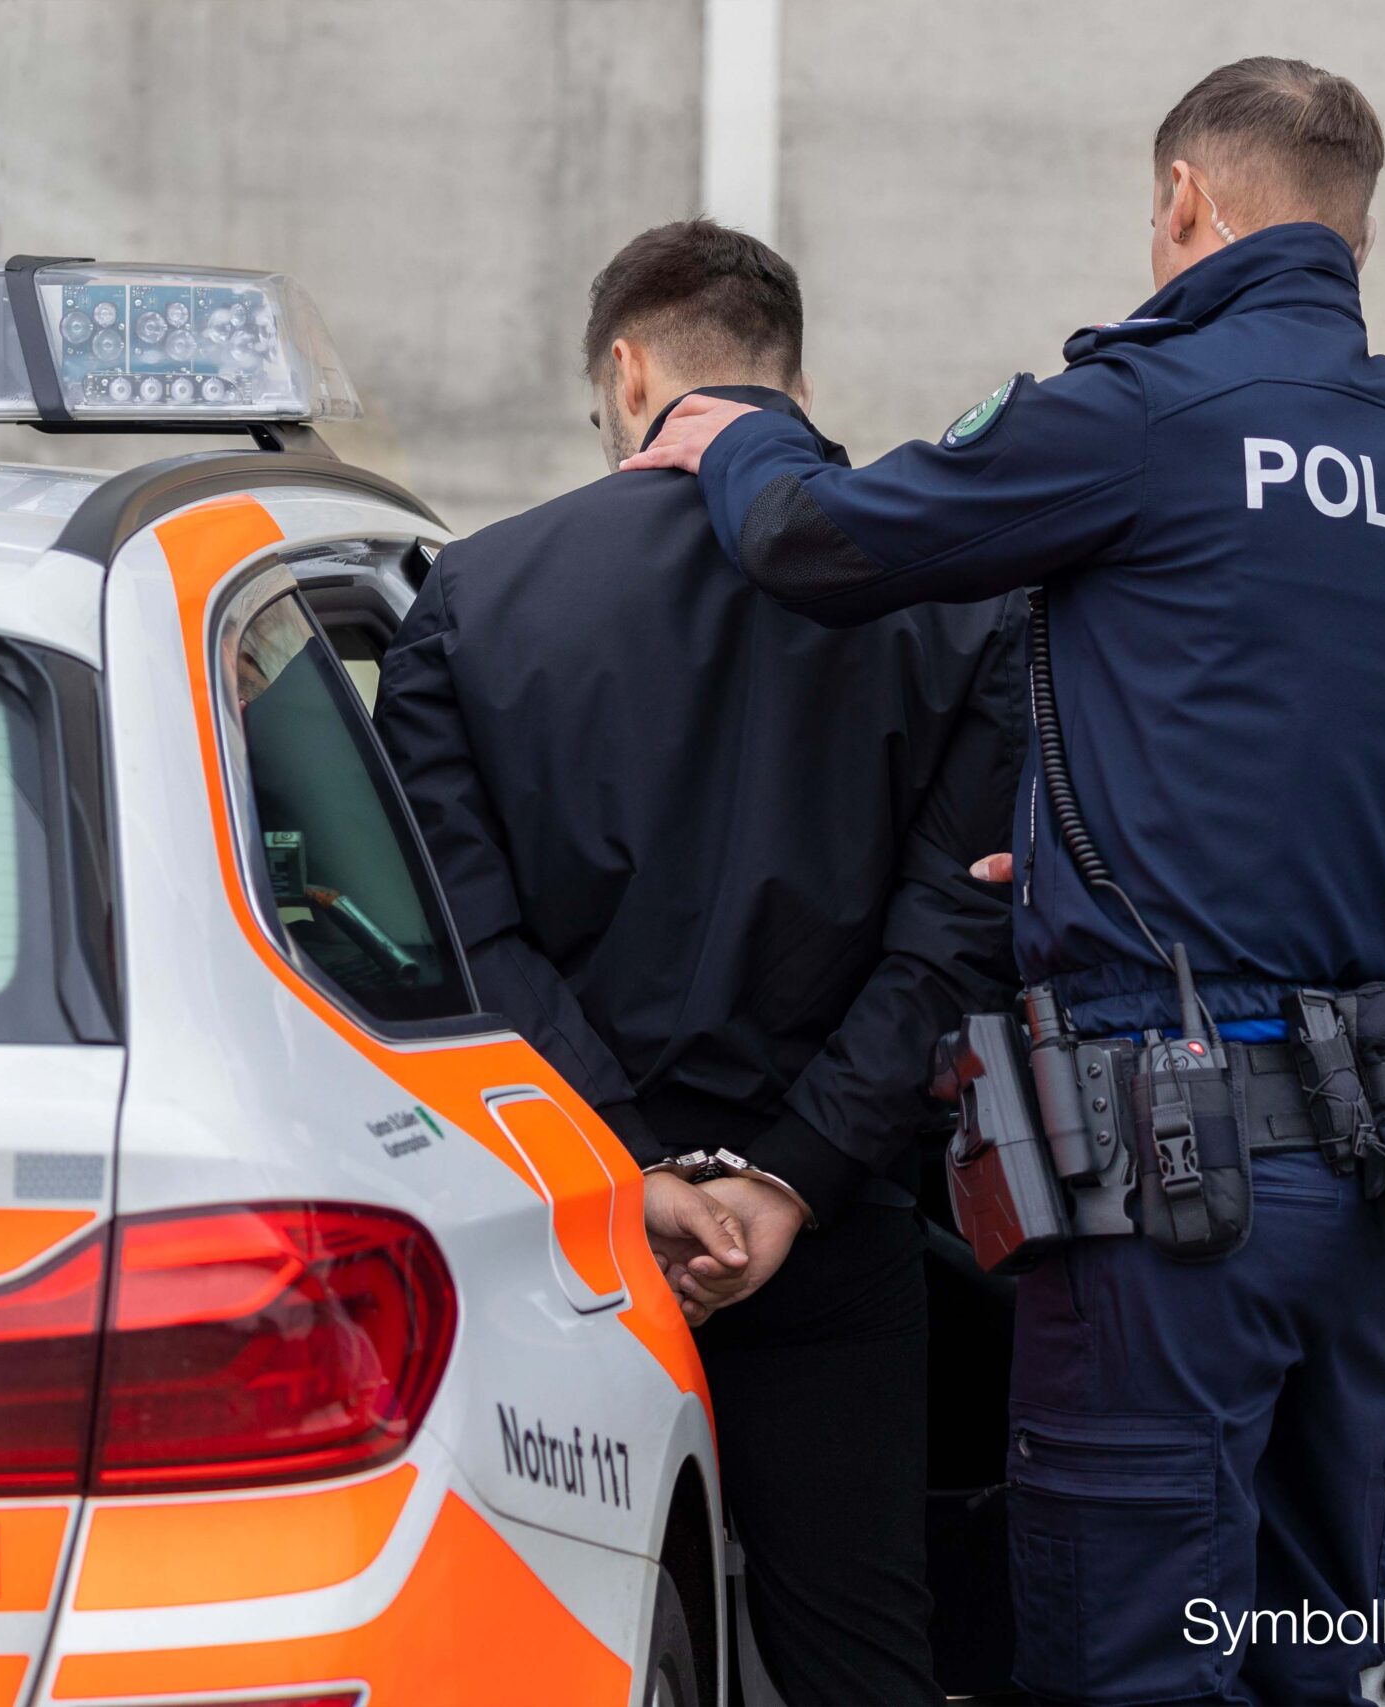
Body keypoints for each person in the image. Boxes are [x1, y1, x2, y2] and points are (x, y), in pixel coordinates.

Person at [625, 60, 1385, 1707]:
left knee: (1130, 1641)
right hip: (1367, 1169)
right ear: (1359, 219)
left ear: (1187, 197)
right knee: (1312, 1624)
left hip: (1168, 1178)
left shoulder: (1146, 410)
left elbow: (822, 546)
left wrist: (737, 432)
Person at [374, 219, 1026, 1707]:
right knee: (862, 1651)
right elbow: (956, 932)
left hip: (562, 1230)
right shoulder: (961, 602)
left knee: (572, 1644)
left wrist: (638, 1170)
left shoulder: (474, 598)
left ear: (628, 366)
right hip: (834, 1220)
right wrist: (786, 1177)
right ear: (791, 370)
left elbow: (467, 936)